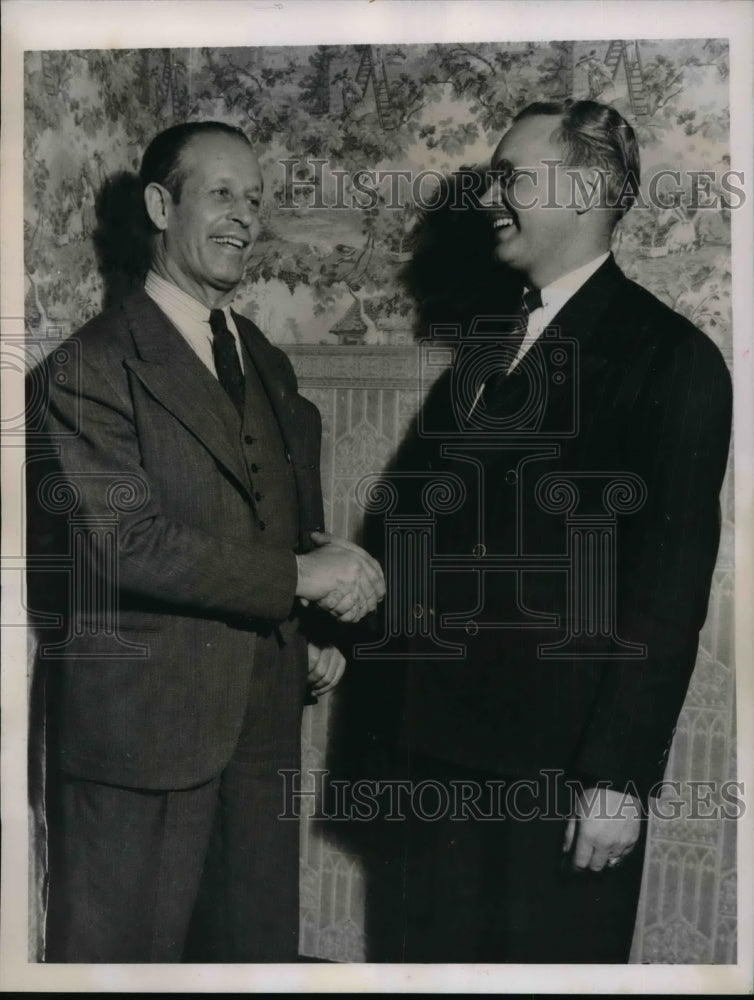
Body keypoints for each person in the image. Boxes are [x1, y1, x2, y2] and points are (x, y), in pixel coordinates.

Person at [27, 120, 384, 963]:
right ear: (160, 205)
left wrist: (321, 625)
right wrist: (303, 577)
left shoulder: (258, 352)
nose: (244, 217)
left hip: (261, 728)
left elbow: (283, 498)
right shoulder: (89, 368)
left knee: (250, 959)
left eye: (254, 200)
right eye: (222, 193)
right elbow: (130, 543)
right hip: (139, 743)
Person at [392, 100, 732, 962]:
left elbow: (668, 592)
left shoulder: (676, 357)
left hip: (565, 778)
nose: (489, 197)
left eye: (511, 177)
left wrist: (616, 781)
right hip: (443, 765)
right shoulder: (486, 350)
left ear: (584, 191)